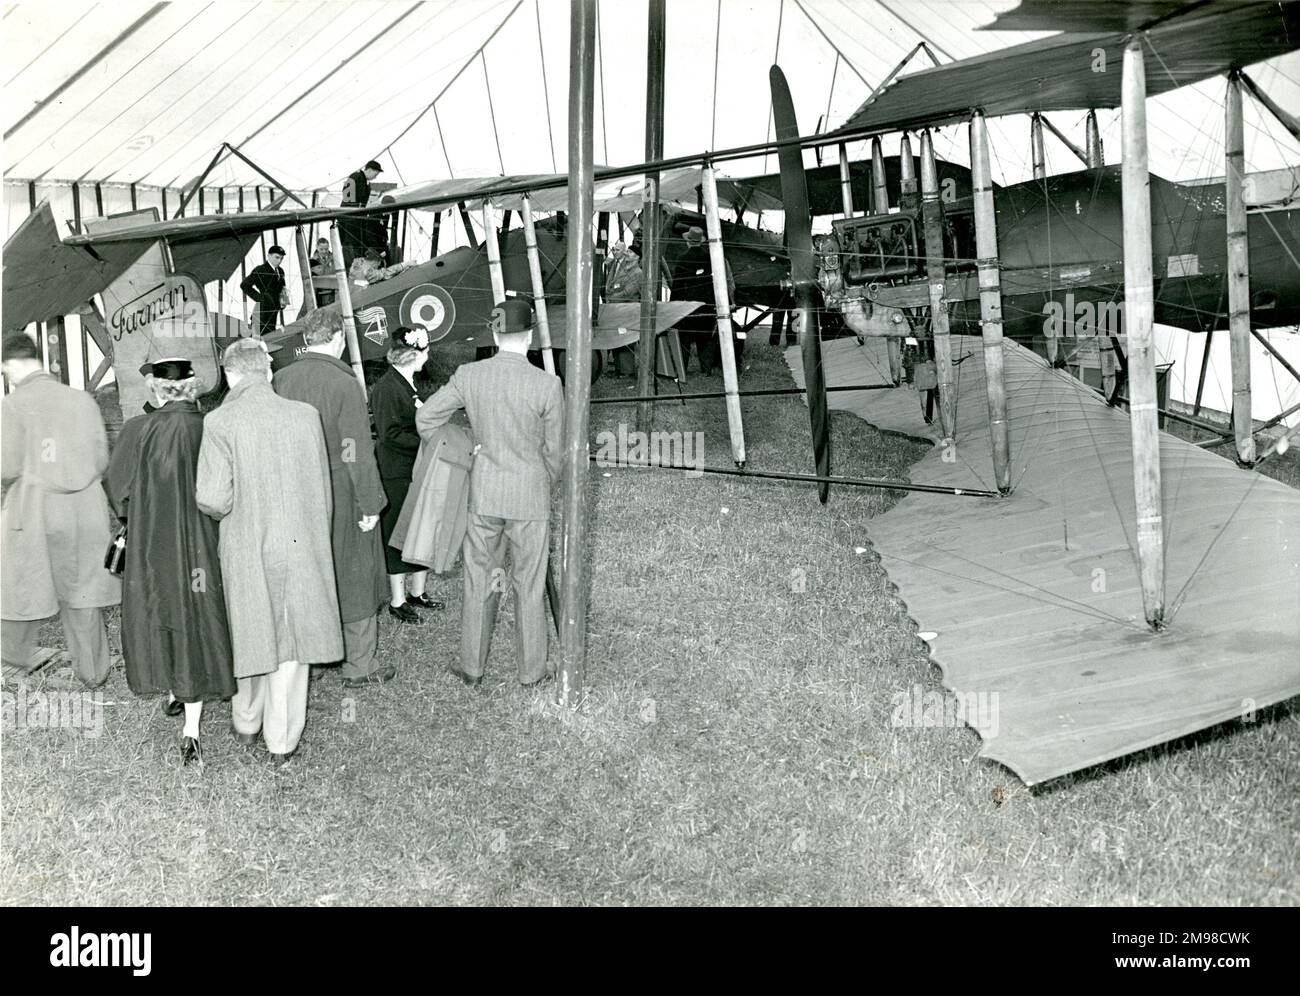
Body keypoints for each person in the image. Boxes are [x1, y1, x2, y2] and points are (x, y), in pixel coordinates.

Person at [195, 338, 343, 766]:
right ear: (269, 371)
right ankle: (281, 741)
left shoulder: (220, 422)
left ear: (229, 374)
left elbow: (213, 500)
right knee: (292, 642)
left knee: (251, 631)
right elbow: (322, 487)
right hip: (301, 542)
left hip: (247, 544)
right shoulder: (305, 416)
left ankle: (246, 722)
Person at [416, 299, 563, 687]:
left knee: (480, 578)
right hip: (529, 496)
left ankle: (471, 666)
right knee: (529, 584)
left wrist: (467, 446)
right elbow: (555, 453)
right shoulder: (548, 384)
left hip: (484, 493)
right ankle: (532, 671)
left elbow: (426, 417)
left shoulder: (470, 374)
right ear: (529, 337)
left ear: (495, 335)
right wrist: (542, 480)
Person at [104, 358, 235, 766]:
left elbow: (118, 487)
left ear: (158, 390)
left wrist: (135, 516)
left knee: (162, 610)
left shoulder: (138, 430)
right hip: (201, 543)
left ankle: (177, 690)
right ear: (193, 388)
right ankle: (191, 726)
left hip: (154, 544)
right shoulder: (211, 426)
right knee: (199, 611)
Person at [273, 311, 393, 688]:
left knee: (307, 571)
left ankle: (313, 656)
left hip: (293, 490)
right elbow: (355, 448)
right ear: (339, 338)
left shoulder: (281, 378)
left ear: (307, 340)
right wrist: (370, 503)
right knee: (354, 570)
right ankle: (358, 664)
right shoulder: (344, 383)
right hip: (340, 488)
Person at [1, 332, 120, 688]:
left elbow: (6, 465)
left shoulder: (12, 404)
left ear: (12, 365)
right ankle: (92, 671)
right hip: (85, 509)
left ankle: (11, 660)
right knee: (82, 591)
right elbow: (101, 458)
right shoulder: (82, 399)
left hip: (36, 509)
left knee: (19, 586)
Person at [371, 326, 444, 624]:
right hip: (396, 471)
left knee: (419, 528)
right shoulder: (388, 388)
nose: (428, 358)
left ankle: (417, 592)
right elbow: (389, 435)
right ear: (414, 355)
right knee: (398, 533)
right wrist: (428, 441)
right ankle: (398, 600)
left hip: (413, 468)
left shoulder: (405, 383)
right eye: (425, 352)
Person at [670, 225, 742, 376]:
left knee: (685, 339)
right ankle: (706, 369)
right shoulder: (711, 259)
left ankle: (682, 368)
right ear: (700, 241)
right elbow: (719, 283)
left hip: (687, 306)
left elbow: (677, 285)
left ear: (688, 241)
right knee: (706, 338)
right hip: (707, 305)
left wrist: (673, 304)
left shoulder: (683, 259)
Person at [340, 160, 383, 266]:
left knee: (357, 242)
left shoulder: (366, 183)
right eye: (375, 174)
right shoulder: (356, 176)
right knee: (350, 243)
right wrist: (355, 209)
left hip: (357, 217)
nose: (375, 177)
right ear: (369, 170)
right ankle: (350, 267)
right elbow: (346, 194)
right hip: (349, 216)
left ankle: (357, 267)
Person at [240, 245, 288, 335]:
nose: (279, 261)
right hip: (262, 311)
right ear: (269, 256)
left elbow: (283, 288)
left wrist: (283, 300)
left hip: (274, 310)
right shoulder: (261, 269)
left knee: (270, 335)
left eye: (281, 258)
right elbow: (244, 285)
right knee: (260, 337)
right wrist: (260, 298)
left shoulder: (280, 271)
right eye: (277, 257)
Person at [309, 237, 337, 306]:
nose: (324, 251)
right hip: (320, 296)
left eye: (326, 249)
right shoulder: (311, 262)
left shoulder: (336, 259)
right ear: (317, 247)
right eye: (321, 249)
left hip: (335, 294)